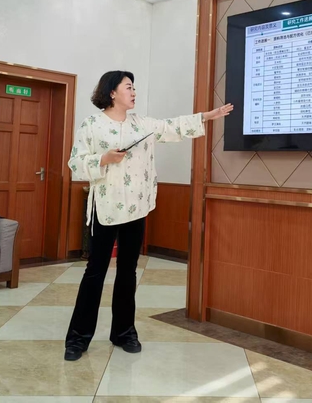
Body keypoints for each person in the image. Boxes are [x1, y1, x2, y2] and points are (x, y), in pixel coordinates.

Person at [64, 70, 233, 361]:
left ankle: (124, 332)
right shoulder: (92, 125)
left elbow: (172, 126)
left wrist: (206, 116)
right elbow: (75, 163)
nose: (134, 92)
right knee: (95, 272)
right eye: (128, 87)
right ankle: (78, 339)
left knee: (128, 272)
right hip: (105, 208)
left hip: (136, 208)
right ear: (112, 92)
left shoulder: (141, 124)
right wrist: (104, 158)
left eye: (134, 88)